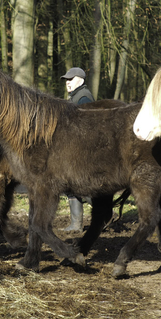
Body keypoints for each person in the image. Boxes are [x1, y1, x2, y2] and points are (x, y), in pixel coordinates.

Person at [60, 67, 94, 232]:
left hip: (82, 150)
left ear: (80, 80)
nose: (67, 82)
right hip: (74, 149)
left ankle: (105, 211)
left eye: (70, 79)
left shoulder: (83, 97)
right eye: (66, 80)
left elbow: (86, 125)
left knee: (79, 185)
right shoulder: (74, 97)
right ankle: (76, 224)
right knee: (70, 185)